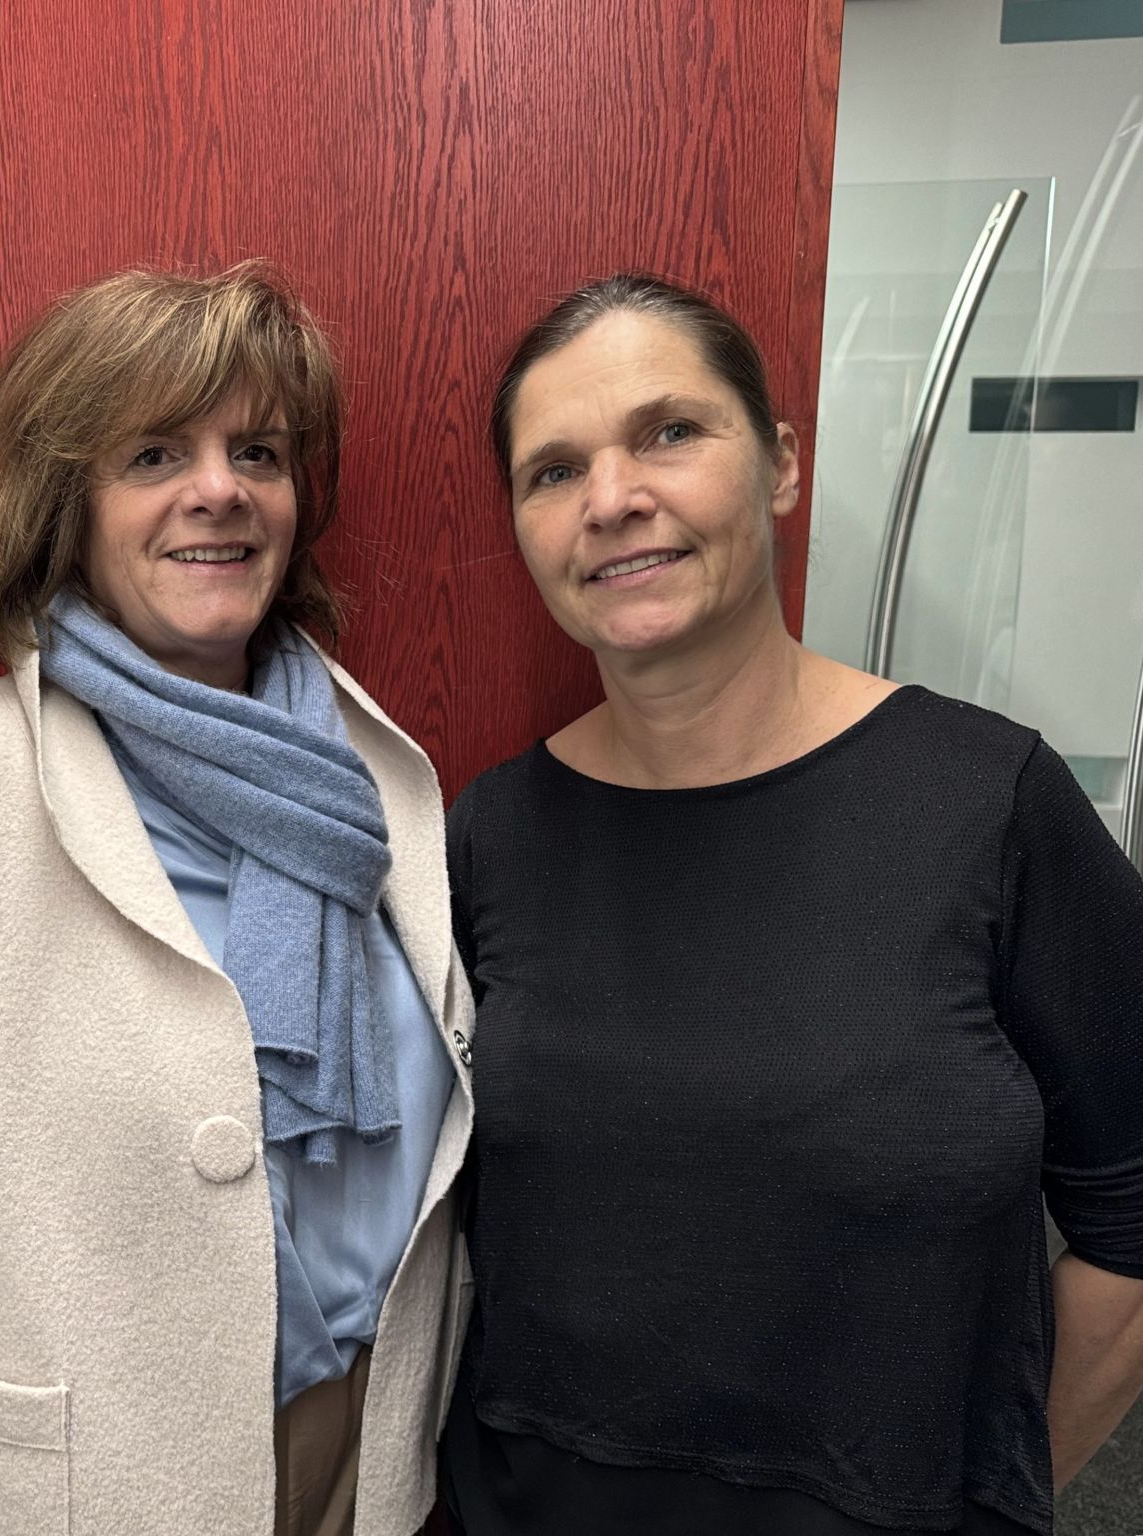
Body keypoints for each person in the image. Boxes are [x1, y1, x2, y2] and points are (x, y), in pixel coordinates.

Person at [0, 263, 473, 1536]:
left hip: (365, 1472)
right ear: (64, 507)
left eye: (256, 449)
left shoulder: (384, 788)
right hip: (61, 1496)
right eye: (152, 453)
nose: (219, 489)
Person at [439, 273, 1143, 1535]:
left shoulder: (986, 806)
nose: (612, 499)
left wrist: (992, 1492)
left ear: (777, 465)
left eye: (668, 431)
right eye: (553, 470)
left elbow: (1132, 1218)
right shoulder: (491, 834)